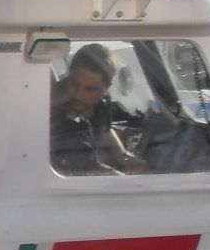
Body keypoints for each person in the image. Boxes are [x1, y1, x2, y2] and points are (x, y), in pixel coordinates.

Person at [50, 44, 143, 176]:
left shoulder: (102, 103)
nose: (78, 95)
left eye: (90, 89)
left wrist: (123, 156)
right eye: (74, 84)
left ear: (105, 89)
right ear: (69, 74)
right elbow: (88, 168)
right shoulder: (51, 110)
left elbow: (104, 129)